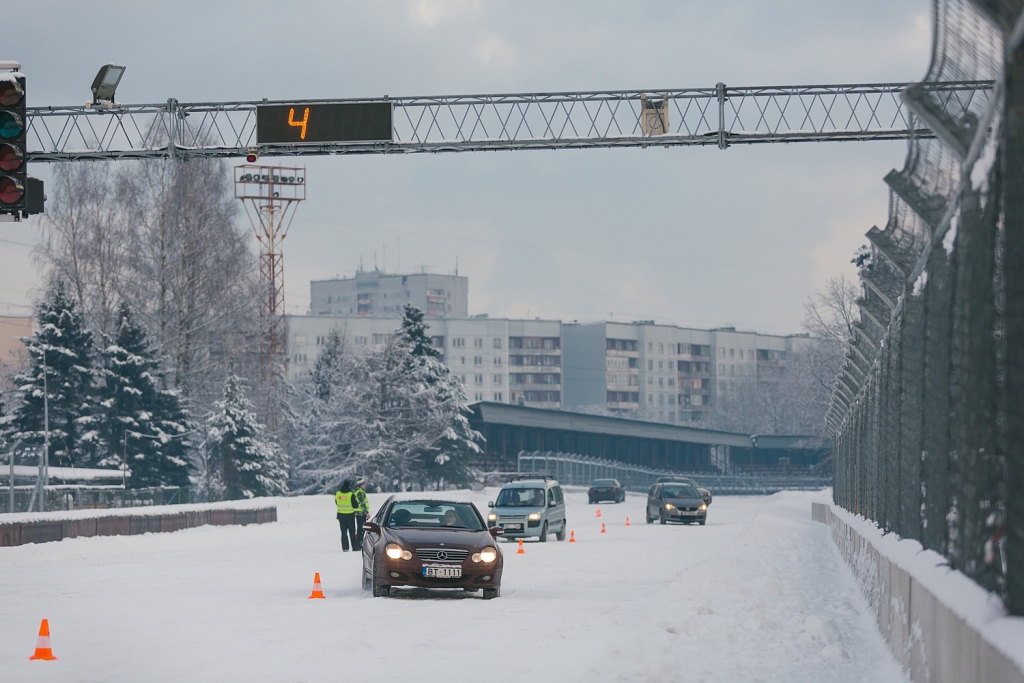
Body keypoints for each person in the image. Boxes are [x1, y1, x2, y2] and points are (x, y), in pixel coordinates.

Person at [335, 480, 359, 551]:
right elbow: (355, 505)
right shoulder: (351, 494)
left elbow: (336, 502)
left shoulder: (338, 494)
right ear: (349, 486)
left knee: (343, 532)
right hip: (350, 516)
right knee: (352, 532)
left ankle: (345, 547)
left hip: (341, 516)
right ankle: (354, 547)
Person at [354, 476, 371, 545]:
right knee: (361, 529)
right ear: (361, 485)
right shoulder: (360, 493)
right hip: (361, 514)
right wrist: (366, 513)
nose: (365, 485)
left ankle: (359, 542)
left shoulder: (358, 492)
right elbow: (362, 504)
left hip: (359, 513)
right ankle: (360, 542)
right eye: (364, 484)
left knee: (360, 528)